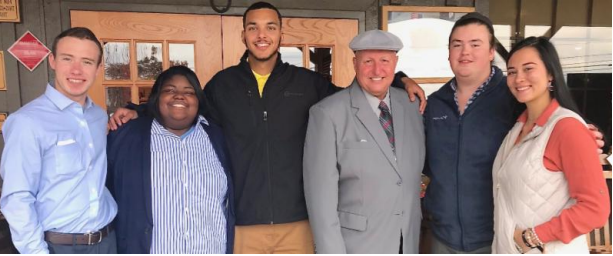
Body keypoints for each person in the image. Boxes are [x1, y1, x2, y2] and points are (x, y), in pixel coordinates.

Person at [107, 2, 426, 253]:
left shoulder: (306, 82)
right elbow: (184, 109)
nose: (262, 34)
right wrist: (138, 110)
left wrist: (398, 80)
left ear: (281, 34)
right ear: (243, 35)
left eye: (270, 27)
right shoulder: (223, 85)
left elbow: (356, 95)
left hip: (298, 223)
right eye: (253, 27)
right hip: (243, 224)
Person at [422, 12, 605, 254]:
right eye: (457, 45)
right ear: (448, 53)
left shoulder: (513, 99)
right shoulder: (434, 104)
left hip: (498, 237)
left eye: (475, 44)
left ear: (490, 53)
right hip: (444, 237)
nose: (465, 52)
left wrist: (585, 133)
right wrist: (401, 80)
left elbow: (558, 122)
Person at [303, 29, 425, 254]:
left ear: (395, 63)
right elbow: (321, 202)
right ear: (354, 63)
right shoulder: (327, 113)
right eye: (368, 61)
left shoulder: (412, 106)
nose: (377, 70)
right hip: (357, 246)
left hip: (407, 241)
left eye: (385, 61)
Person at [0, 27, 117, 254]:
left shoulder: (99, 116)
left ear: (98, 68)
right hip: (59, 246)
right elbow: (17, 197)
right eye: (67, 58)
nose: (76, 70)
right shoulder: (27, 122)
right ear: (52, 60)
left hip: (107, 240)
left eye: (87, 61)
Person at [492, 36, 610, 254]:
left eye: (528, 69)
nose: (519, 78)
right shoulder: (518, 128)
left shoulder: (566, 128)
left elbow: (596, 208)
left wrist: (530, 238)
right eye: (512, 72)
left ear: (550, 75)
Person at [106, 66, 235, 254]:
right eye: (169, 90)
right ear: (157, 98)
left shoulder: (217, 137)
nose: (179, 96)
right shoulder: (127, 137)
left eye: (189, 92)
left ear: (198, 100)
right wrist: (138, 110)